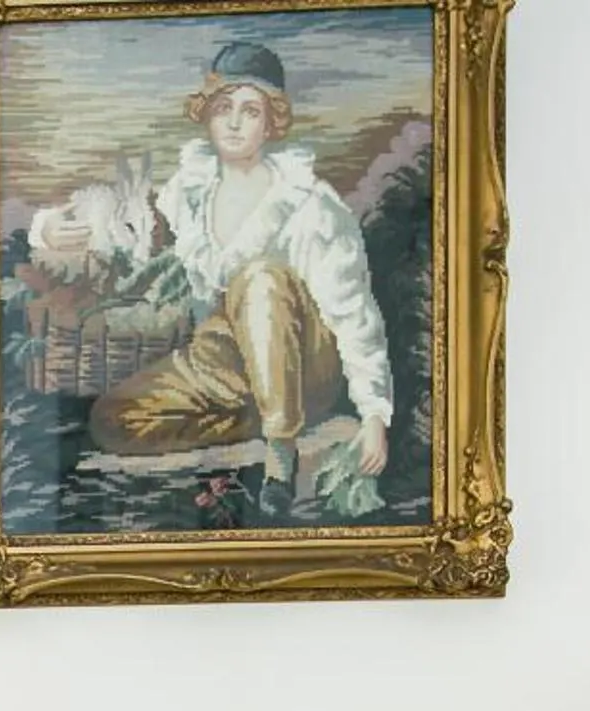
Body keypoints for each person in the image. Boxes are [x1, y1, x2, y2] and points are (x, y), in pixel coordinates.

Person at [90, 42, 393, 518]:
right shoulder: (187, 192)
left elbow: (353, 312)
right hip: (226, 357)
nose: (233, 123)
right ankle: (256, 423)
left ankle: (280, 452)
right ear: (206, 114)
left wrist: (373, 413)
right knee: (113, 418)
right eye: (223, 108)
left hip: (304, 360)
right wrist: (54, 233)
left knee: (260, 278)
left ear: (272, 122)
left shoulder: (308, 202)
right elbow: (135, 252)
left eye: (250, 111)